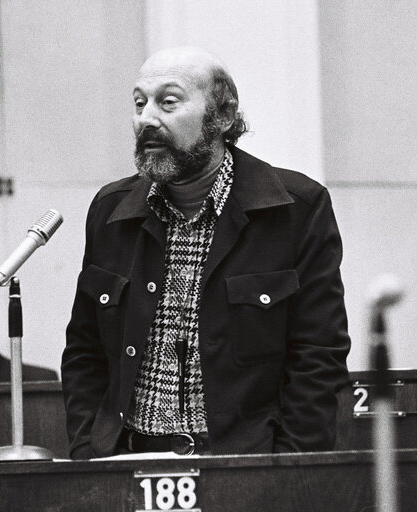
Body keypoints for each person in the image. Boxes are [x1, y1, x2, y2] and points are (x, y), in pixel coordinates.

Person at [62, 47, 350, 459]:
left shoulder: (295, 208)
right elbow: (84, 351)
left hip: (246, 466)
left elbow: (317, 359)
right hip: (125, 464)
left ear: (223, 116)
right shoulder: (111, 210)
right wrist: (90, 450)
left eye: (168, 102)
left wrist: (290, 471)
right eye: (139, 103)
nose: (147, 119)